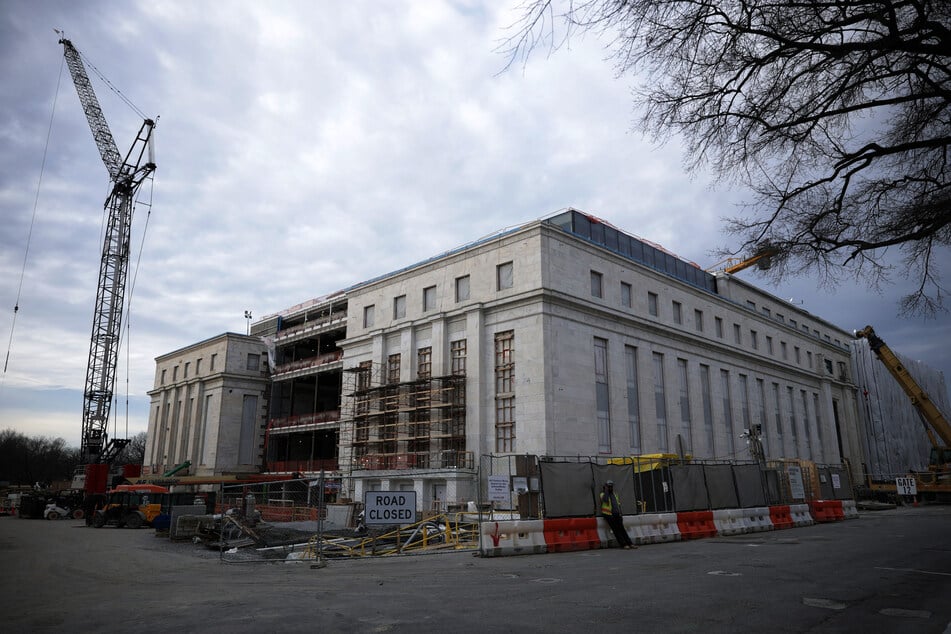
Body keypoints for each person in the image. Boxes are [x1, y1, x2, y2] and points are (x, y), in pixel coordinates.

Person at [600, 480, 636, 549]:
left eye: (611, 486)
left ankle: (630, 543)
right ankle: (623, 544)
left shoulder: (615, 494)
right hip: (609, 515)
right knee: (616, 530)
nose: (611, 488)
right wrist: (606, 490)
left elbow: (618, 505)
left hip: (617, 514)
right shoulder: (602, 494)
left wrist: (620, 513)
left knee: (622, 529)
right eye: (609, 486)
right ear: (606, 487)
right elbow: (605, 500)